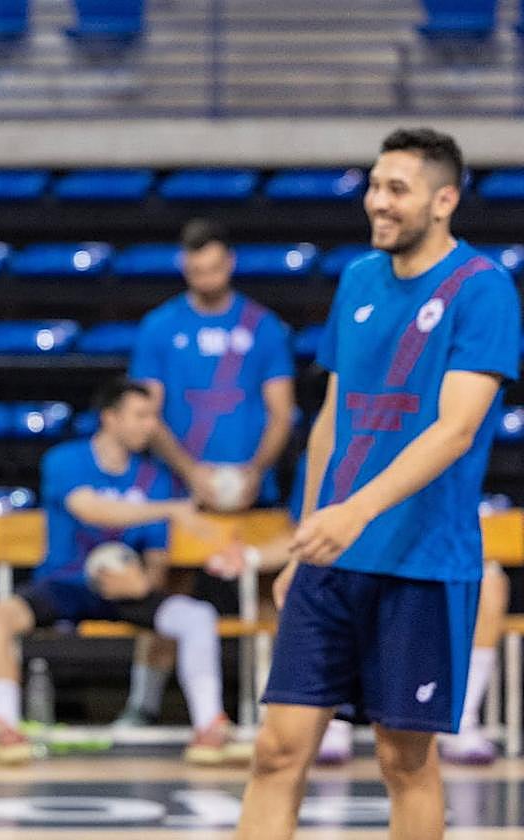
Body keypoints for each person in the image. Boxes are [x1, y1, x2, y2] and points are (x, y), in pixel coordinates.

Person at [235, 127, 520, 840]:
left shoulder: (483, 288)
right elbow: (331, 422)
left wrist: (354, 512)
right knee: (276, 751)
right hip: (332, 556)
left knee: (404, 761)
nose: (378, 201)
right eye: (374, 185)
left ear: (444, 200)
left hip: (422, 562)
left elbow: (456, 429)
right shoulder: (359, 278)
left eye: (398, 189)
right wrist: (306, 537)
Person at [0, 378, 250, 766]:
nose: (151, 426)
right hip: (66, 584)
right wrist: (171, 509)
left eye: (154, 417)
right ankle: (5, 726)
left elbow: (157, 555)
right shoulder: (66, 460)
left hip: (126, 589)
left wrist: (143, 583)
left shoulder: (155, 477)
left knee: (197, 616)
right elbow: (90, 509)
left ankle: (210, 726)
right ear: (111, 418)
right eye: (141, 416)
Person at [211, 453, 512, 766]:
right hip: (344, 570)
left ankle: (461, 719)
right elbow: (308, 530)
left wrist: (360, 514)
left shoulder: (433, 448)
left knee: (489, 583)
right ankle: (332, 716)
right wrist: (256, 556)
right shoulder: (333, 447)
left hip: (415, 569)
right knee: (323, 581)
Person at [123, 219, 295, 726]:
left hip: (253, 490)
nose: (206, 278)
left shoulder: (263, 327)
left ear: (230, 264)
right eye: (197, 270)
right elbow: (147, 412)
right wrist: (190, 471)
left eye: (214, 268)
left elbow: (281, 412)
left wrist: (255, 470)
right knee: (166, 594)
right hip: (181, 490)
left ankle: (279, 705)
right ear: (185, 267)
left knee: (270, 594)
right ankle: (143, 706)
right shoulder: (160, 327)